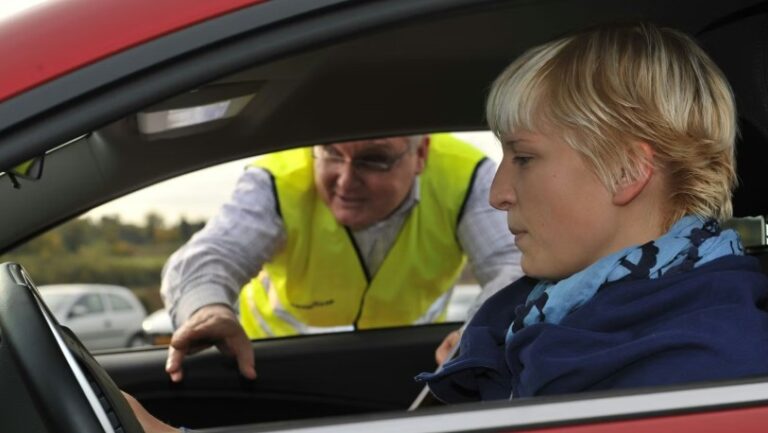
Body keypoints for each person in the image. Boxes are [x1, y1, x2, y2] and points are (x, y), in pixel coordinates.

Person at [416, 22, 768, 401]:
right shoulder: (552, 313)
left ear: (625, 171)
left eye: (524, 157)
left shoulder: (698, 372)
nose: (497, 195)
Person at [161, 133, 522, 382]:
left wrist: (478, 333)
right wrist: (207, 309)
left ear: (421, 155)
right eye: (332, 153)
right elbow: (210, 256)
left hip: (416, 368)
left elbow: (515, 263)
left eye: (374, 160)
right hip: (269, 372)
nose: (346, 180)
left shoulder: (467, 176)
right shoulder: (279, 178)